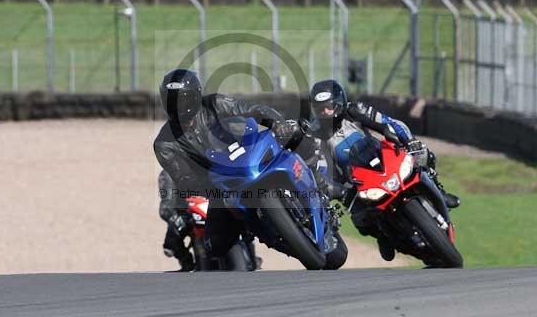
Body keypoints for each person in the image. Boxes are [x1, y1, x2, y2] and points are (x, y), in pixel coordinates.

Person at [153, 68, 322, 261]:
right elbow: (184, 180)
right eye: (172, 102)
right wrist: (211, 186)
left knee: (298, 135)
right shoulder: (164, 143)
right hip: (220, 185)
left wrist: (277, 124)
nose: (179, 107)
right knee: (214, 245)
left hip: (249, 157)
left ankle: (317, 180)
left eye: (183, 100)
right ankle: (278, 239)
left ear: (195, 96)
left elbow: (253, 110)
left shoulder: (215, 104)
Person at [308, 79, 460, 262]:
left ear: (339, 104)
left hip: (382, 159)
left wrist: (409, 140)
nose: (325, 112)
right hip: (354, 180)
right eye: (320, 109)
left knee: (424, 155)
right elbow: (321, 168)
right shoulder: (315, 135)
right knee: (361, 219)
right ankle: (383, 235)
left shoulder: (356, 111)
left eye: (329, 107)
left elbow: (390, 123)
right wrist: (338, 191)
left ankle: (439, 191)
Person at [158, 169, 195, 272]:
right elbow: (166, 208)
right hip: (187, 216)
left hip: (211, 213)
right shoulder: (169, 173)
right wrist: (177, 221)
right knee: (170, 244)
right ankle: (187, 263)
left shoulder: (209, 165)